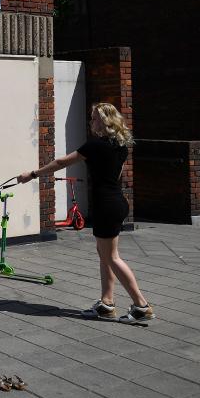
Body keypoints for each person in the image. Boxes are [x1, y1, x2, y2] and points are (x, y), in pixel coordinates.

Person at [18, 102, 154, 324]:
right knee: (105, 255)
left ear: (103, 120)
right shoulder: (121, 147)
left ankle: (141, 305)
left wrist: (33, 174)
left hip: (106, 204)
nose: (91, 121)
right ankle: (106, 303)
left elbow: (62, 162)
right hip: (116, 202)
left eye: (93, 118)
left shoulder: (95, 145)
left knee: (112, 257)